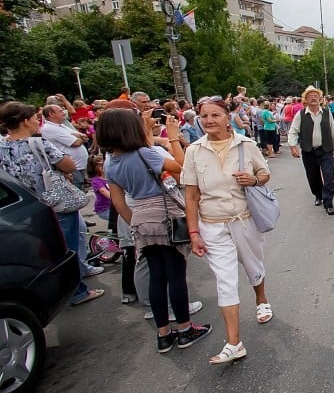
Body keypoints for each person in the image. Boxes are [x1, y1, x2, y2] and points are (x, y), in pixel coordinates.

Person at [97, 108, 212, 353]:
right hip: (164, 215)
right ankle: (184, 328)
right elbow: (182, 167)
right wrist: (172, 137)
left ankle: (163, 334)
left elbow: (118, 202)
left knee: (157, 276)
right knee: (176, 274)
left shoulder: (111, 162)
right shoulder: (144, 153)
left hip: (139, 218)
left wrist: (136, 223)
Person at [182, 97, 273, 364]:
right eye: (204, 116)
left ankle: (261, 298)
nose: (209, 120)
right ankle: (234, 343)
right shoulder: (194, 151)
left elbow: (264, 174)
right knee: (225, 280)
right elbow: (191, 197)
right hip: (212, 225)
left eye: (215, 115)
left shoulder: (245, 145)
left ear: (226, 116)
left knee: (253, 265)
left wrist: (253, 179)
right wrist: (194, 232)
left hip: (245, 220)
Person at [0, 102, 104, 306]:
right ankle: (77, 291)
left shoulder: (2, 146)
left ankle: (58, 288)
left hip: (23, 207)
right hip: (54, 203)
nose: (36, 121)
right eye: (33, 118)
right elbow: (68, 165)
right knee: (68, 248)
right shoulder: (38, 143)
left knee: (41, 252)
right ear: (24, 121)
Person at [288, 86, 334, 214]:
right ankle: (318, 195)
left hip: (325, 150)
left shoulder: (326, 113)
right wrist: (293, 146)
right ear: (305, 100)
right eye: (310, 95)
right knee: (313, 177)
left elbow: (333, 130)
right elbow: (293, 131)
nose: (313, 97)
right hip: (309, 151)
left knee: (328, 176)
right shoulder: (301, 115)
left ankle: (328, 202)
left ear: (320, 99)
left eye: (316, 95)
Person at [88, 156, 111, 222]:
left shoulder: (109, 177)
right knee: (119, 220)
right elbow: (105, 192)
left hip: (113, 207)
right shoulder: (96, 181)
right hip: (104, 209)